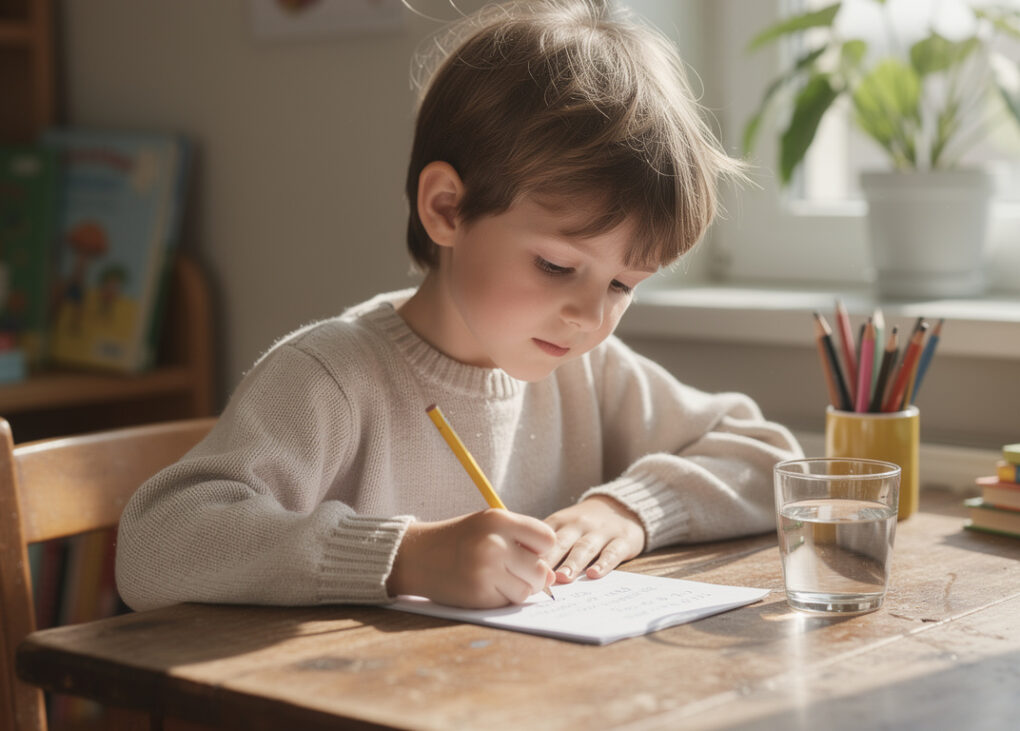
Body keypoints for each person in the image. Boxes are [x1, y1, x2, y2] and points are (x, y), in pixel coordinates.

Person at [116, 0, 801, 612]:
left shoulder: (588, 373)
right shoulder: (330, 379)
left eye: (623, 285)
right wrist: (404, 557)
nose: (591, 317)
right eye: (557, 266)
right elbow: (156, 545)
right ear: (446, 208)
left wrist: (628, 509)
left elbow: (769, 457)